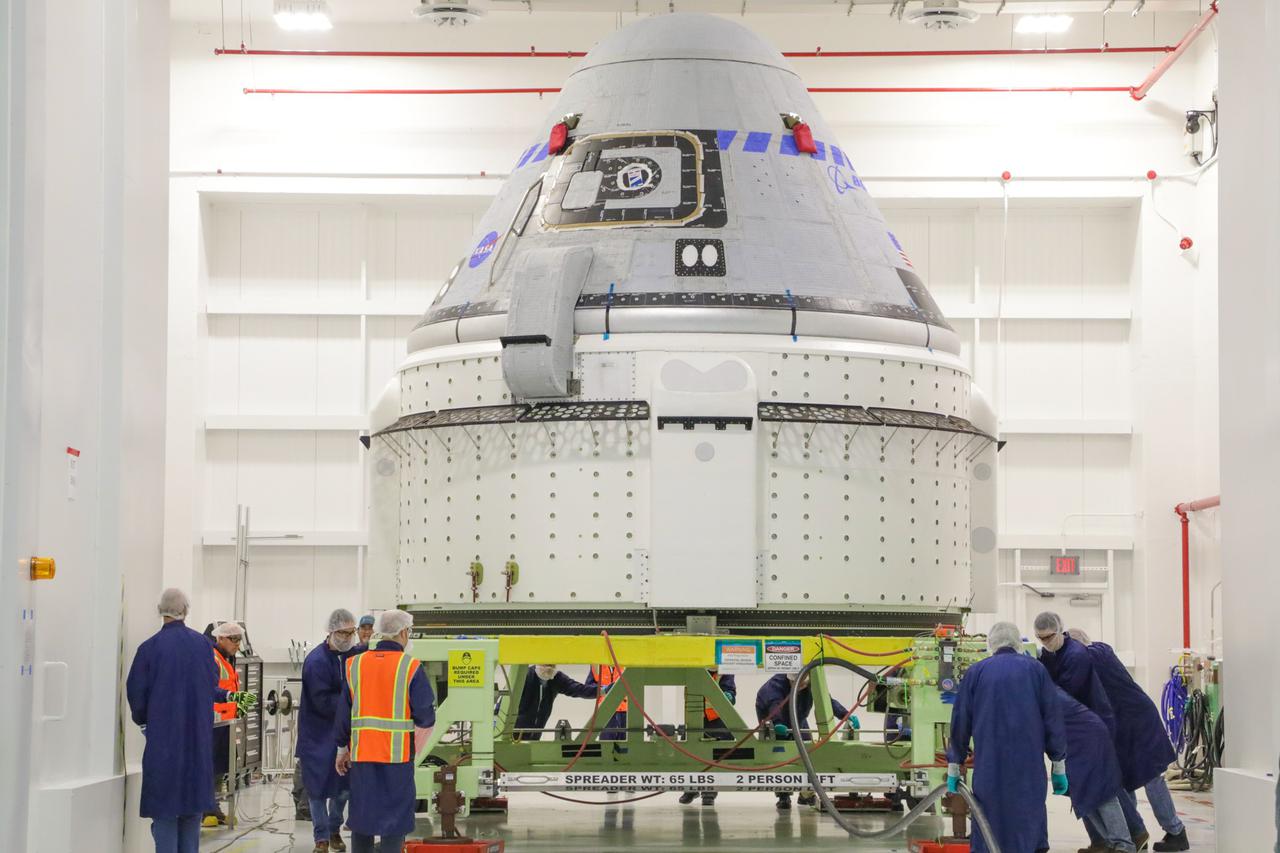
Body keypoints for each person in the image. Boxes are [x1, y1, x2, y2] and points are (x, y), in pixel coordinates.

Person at [127, 589, 253, 853]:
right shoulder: (203, 646)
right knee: (192, 811)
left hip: (163, 744)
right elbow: (210, 686)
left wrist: (146, 724)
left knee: (165, 812)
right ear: (185, 610)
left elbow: (136, 693)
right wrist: (229, 697)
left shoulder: (149, 649)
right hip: (197, 741)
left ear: (160, 610)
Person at [946, 621, 1068, 853]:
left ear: (991, 643)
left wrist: (955, 762)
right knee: (1028, 819)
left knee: (988, 819)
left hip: (989, 767)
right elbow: (1053, 718)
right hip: (1028, 767)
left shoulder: (976, 672)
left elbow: (961, 720)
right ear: (1017, 642)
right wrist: (1058, 763)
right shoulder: (1036, 670)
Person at [1066, 628, 1188, 852]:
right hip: (1123, 725)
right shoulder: (1100, 651)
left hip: (1138, 722)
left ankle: (1176, 832)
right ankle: (1135, 833)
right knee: (1123, 780)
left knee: (1152, 778)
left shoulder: (1093, 655)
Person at [335, 610, 435, 853]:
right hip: (397, 758)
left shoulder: (354, 665)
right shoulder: (410, 667)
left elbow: (343, 714)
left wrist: (342, 749)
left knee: (362, 818)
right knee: (394, 820)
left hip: (362, 756)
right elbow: (426, 715)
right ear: (403, 632)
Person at [298, 609, 361, 853]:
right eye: (343, 633)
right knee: (317, 789)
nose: (348, 637)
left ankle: (334, 829)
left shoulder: (354, 656)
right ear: (331, 632)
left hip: (344, 731)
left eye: (351, 632)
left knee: (343, 787)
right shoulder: (316, 662)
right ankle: (321, 838)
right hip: (317, 734)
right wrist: (353, 703)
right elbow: (322, 701)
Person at [755, 671, 855, 810]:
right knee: (781, 757)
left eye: (803, 684)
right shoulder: (773, 689)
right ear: (789, 679)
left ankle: (806, 793)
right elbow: (775, 706)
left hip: (798, 718)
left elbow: (826, 700)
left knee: (808, 752)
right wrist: (777, 724)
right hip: (774, 721)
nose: (801, 686)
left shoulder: (811, 683)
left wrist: (845, 715)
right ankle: (783, 795)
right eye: (796, 684)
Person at [1055, 686, 1137, 853]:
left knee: (1101, 793)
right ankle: (1110, 842)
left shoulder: (1041, 692)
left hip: (1088, 737)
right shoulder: (1040, 689)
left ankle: (1124, 844)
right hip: (1076, 739)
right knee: (1082, 794)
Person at [1035, 612, 1116, 736]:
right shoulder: (1050, 654)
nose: (1045, 642)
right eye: (1040, 638)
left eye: (1049, 637)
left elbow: (1064, 692)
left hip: (1092, 723)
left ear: (1059, 630)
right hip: (1075, 722)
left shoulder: (1076, 654)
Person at [205, 621, 245, 827]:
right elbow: (212, 689)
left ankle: (216, 808)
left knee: (222, 766)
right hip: (213, 723)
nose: (237, 644)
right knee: (210, 766)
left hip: (226, 722)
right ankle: (206, 809)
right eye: (233, 639)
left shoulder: (227, 659)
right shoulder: (212, 658)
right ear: (220, 638)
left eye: (239, 639)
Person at [678, 668, 737, 806]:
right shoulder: (694, 668)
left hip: (716, 719)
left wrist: (729, 696)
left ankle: (709, 792)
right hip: (695, 717)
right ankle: (691, 789)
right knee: (691, 753)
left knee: (713, 756)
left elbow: (731, 692)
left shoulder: (724, 670)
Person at [510, 664, 597, 741]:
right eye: (545, 664)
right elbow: (505, 700)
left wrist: (602, 690)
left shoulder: (556, 678)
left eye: (551, 665)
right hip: (513, 735)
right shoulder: (525, 676)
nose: (548, 668)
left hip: (534, 737)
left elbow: (579, 689)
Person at [586, 664, 628, 741]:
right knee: (606, 745)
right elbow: (589, 687)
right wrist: (604, 689)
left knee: (625, 745)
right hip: (605, 710)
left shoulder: (625, 663)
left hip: (624, 711)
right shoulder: (597, 664)